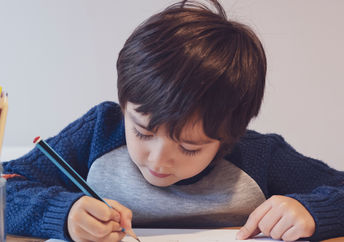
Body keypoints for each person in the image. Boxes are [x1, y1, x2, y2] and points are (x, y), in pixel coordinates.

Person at [3, 0, 344, 241]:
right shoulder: (98, 133)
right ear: (125, 106)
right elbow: (9, 188)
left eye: (189, 147)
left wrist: (314, 210)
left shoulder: (259, 157)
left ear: (228, 137)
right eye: (142, 131)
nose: (158, 159)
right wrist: (64, 212)